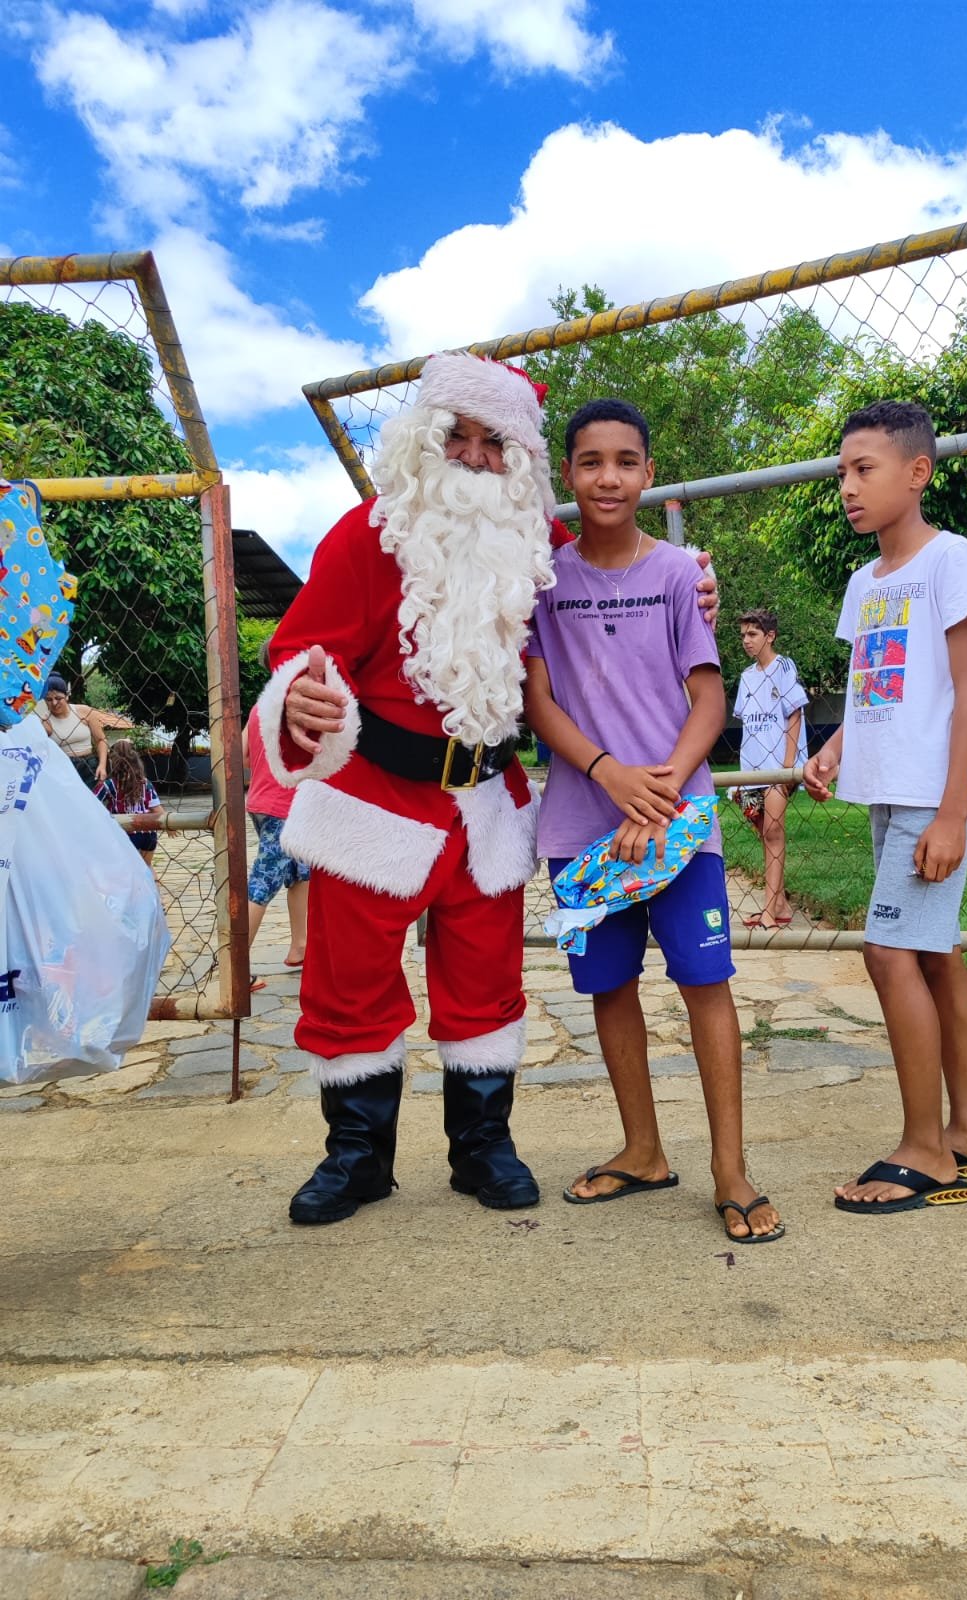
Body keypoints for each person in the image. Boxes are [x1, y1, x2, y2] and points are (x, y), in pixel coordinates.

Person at [258, 353, 718, 1227]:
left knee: (486, 982)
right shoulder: (364, 536)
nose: (473, 457)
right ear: (423, 441)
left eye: (493, 442)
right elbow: (298, 649)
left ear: (521, 459)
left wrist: (695, 582)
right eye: (457, 437)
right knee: (349, 983)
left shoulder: (537, 544)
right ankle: (355, 1157)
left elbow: (619, 572)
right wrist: (303, 693)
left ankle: (482, 1147)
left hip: (486, 802)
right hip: (374, 799)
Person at [524, 397, 784, 1244]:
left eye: (626, 461)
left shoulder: (677, 574)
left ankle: (731, 1170)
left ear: (648, 473)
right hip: (582, 828)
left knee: (706, 983)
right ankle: (643, 1150)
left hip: (679, 826)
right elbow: (539, 701)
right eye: (591, 461)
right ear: (567, 473)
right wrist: (608, 773)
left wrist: (662, 793)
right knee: (610, 988)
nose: (609, 478)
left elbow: (707, 697)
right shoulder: (542, 581)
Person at [802, 399, 967, 1215]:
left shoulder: (950, 558)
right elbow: (874, 686)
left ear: (917, 473)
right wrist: (834, 749)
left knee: (887, 954)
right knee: (934, 954)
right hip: (889, 787)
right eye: (842, 472)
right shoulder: (865, 581)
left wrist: (951, 814)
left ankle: (927, 1151)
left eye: (864, 469)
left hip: (933, 793)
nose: (848, 487)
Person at [733, 608, 809, 930]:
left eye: (752, 634)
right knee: (764, 835)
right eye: (743, 635)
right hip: (751, 772)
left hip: (777, 769)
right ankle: (780, 903)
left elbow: (795, 714)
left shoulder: (784, 667)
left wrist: (788, 767)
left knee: (774, 834)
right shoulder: (746, 677)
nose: (746, 641)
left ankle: (768, 912)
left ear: (770, 636)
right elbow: (747, 724)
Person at [242, 693, 309, 994]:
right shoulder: (301, 704)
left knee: (300, 871)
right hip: (284, 806)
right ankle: (235, 966)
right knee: (264, 882)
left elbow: (242, 755)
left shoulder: (260, 706)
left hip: (261, 800)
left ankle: (300, 946)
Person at [93, 738, 165, 868]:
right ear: (136, 760)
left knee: (127, 869)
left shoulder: (109, 785)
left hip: (125, 833)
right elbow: (157, 809)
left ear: (112, 761)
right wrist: (169, 826)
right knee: (147, 867)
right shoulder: (145, 783)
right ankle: (151, 881)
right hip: (148, 834)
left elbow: (92, 802)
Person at [42, 673, 108, 785]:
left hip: (89, 765)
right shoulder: (45, 721)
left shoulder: (84, 712)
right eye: (49, 699)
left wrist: (102, 765)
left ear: (67, 696)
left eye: (58, 698)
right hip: (63, 768)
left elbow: (101, 740)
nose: (54, 703)